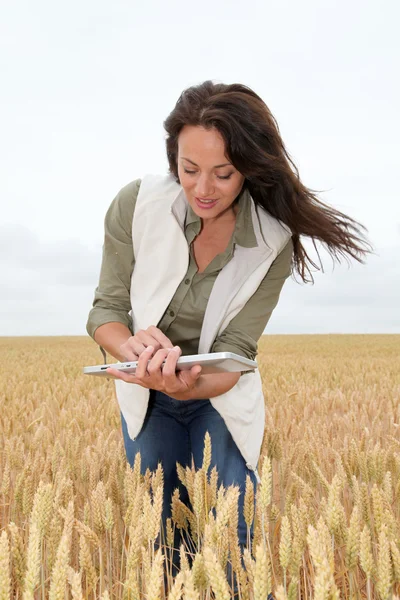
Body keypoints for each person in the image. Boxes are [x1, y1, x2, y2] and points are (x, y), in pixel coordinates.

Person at [86, 80, 372, 574]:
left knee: (233, 535)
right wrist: (132, 346)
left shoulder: (273, 239)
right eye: (189, 169)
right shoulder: (136, 205)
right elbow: (105, 309)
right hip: (146, 397)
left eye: (223, 173)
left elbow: (237, 351)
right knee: (161, 541)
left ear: (249, 169)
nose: (202, 189)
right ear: (172, 157)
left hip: (219, 398)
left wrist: (186, 384)